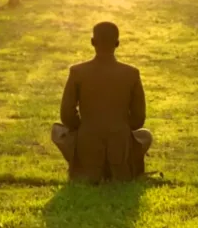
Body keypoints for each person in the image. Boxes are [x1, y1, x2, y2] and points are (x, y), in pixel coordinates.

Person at [51, 22, 153, 183]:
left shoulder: (77, 72)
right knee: (145, 135)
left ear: (93, 42)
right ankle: (118, 169)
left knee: (57, 130)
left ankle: (86, 169)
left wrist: (84, 128)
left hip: (87, 142)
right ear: (117, 44)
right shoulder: (131, 73)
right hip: (120, 143)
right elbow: (138, 119)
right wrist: (120, 128)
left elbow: (67, 115)